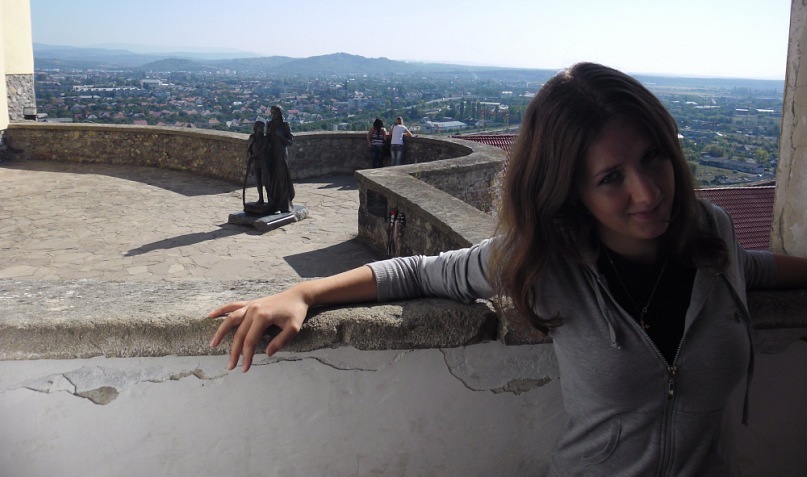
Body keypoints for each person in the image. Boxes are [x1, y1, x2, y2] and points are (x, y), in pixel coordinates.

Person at [209, 63, 807, 476]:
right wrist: (306, 292)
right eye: (611, 178)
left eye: (654, 158)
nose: (648, 192)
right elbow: (421, 272)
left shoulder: (710, 231)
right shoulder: (548, 260)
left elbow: (741, 270)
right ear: (571, 191)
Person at [265, 105, 295, 213]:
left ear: (279, 114)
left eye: (275, 113)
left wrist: (280, 136)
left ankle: (284, 204)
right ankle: (273, 203)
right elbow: (267, 139)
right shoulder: (270, 124)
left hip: (281, 154)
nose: (273, 115)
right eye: (272, 113)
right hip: (271, 154)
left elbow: (290, 141)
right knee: (272, 178)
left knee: (281, 178)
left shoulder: (284, 125)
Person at [245, 118, 271, 206]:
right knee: (258, 181)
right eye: (260, 128)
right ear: (256, 128)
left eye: (263, 128)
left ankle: (270, 198)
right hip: (256, 162)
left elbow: (262, 150)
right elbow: (249, 148)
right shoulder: (252, 137)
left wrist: (253, 156)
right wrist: (250, 155)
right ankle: (261, 198)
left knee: (266, 181)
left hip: (263, 161)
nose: (262, 129)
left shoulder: (265, 139)